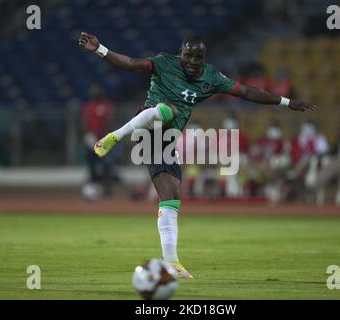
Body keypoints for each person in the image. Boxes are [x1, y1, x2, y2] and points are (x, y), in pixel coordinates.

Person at [78, 31, 316, 278]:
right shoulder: (164, 63)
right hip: (147, 127)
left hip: (167, 142)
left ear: (204, 58)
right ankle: (114, 136)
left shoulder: (211, 77)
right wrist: (100, 49)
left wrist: (287, 103)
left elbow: (247, 92)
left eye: (198, 57)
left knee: (170, 199)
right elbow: (128, 63)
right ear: (181, 53)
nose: (193, 61)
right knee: (166, 109)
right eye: (189, 55)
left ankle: (171, 263)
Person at [81, 84, 116, 200]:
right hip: (91, 140)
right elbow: (84, 122)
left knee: (107, 165)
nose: (94, 93)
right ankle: (92, 188)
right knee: (91, 166)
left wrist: (102, 137)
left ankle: (108, 190)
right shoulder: (88, 106)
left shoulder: (106, 105)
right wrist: (88, 136)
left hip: (104, 140)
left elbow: (110, 121)